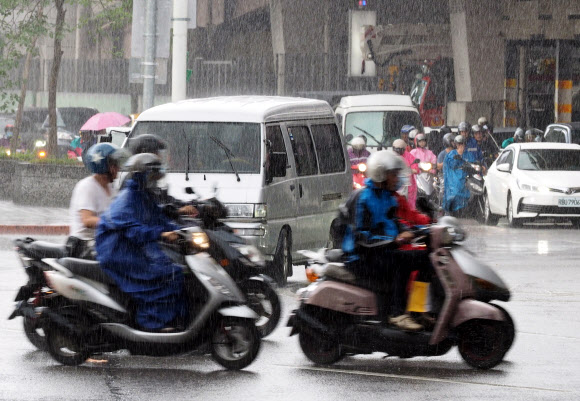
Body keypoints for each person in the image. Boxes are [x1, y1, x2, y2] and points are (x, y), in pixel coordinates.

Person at [341, 150, 432, 331]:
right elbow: (362, 237)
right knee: (402, 262)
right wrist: (394, 241)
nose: (397, 178)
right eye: (394, 174)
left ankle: (416, 309)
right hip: (362, 256)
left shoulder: (387, 197)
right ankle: (397, 314)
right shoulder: (363, 198)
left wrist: (420, 230)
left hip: (381, 250)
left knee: (426, 259)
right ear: (381, 174)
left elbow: (395, 223)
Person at [96, 153, 187, 332]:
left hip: (134, 247)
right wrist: (162, 234)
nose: (156, 181)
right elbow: (134, 231)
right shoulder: (128, 199)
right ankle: (151, 324)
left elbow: (158, 219)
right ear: (142, 176)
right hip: (117, 250)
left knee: (177, 270)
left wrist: (179, 230)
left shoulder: (144, 196)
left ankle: (175, 320)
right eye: (153, 177)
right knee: (165, 275)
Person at [69, 143, 129, 244]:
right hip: (84, 244)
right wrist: (115, 223)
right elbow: (87, 220)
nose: (118, 169)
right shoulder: (87, 187)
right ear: (104, 166)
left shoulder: (110, 187)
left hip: (103, 241)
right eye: (114, 165)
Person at [126, 134, 197, 218]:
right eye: (157, 153)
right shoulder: (135, 180)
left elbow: (165, 199)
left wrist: (191, 204)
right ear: (144, 154)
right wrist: (177, 211)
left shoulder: (150, 178)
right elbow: (151, 209)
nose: (160, 157)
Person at [442, 135, 470, 214]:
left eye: (463, 144)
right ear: (456, 145)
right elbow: (452, 165)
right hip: (454, 177)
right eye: (459, 144)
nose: (461, 146)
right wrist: (458, 156)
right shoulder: (451, 154)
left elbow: (473, 161)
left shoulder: (468, 153)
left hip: (466, 176)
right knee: (455, 192)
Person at [410, 133, 437, 206]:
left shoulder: (429, 152)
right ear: (417, 142)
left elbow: (434, 161)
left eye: (423, 141)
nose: (422, 143)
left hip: (428, 174)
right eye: (420, 141)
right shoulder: (413, 152)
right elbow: (411, 162)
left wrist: (433, 167)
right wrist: (416, 167)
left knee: (436, 187)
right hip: (418, 175)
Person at [393, 138, 418, 210]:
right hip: (394, 183)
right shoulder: (390, 156)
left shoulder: (409, 156)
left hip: (408, 184)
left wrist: (408, 170)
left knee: (410, 205)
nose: (399, 151)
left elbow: (415, 169)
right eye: (397, 149)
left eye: (401, 149)